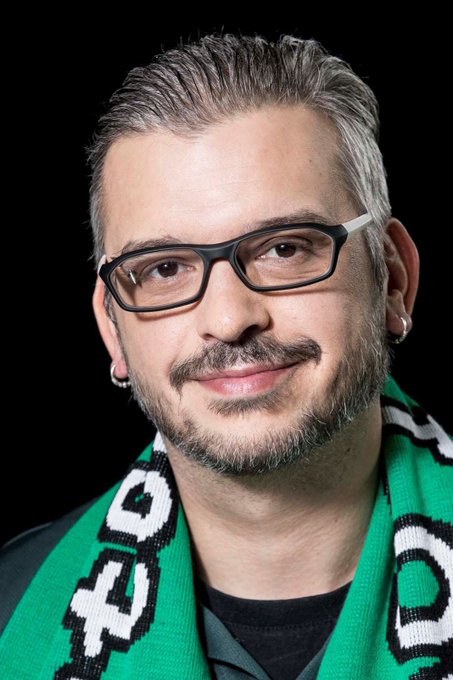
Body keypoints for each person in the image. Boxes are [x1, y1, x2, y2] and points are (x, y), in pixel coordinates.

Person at [0, 31, 451, 680]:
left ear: (392, 279)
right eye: (164, 268)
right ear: (112, 327)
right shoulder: (11, 613)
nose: (230, 320)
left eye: (284, 248)